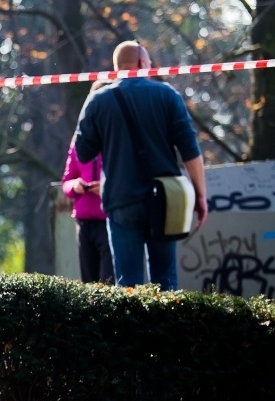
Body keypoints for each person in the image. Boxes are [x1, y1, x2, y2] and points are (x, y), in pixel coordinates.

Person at [74, 41, 208, 290]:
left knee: (128, 285)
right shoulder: (167, 95)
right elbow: (190, 150)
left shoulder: (97, 101)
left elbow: (83, 153)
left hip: (121, 199)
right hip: (166, 200)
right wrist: (200, 196)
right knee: (165, 280)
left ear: (116, 68)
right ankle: (165, 328)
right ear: (142, 64)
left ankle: (132, 329)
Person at [61, 82, 114, 284]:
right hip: (84, 222)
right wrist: (75, 185)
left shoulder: (116, 137)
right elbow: (66, 181)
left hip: (109, 219)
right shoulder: (78, 141)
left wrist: (107, 189)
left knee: (109, 283)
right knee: (89, 283)